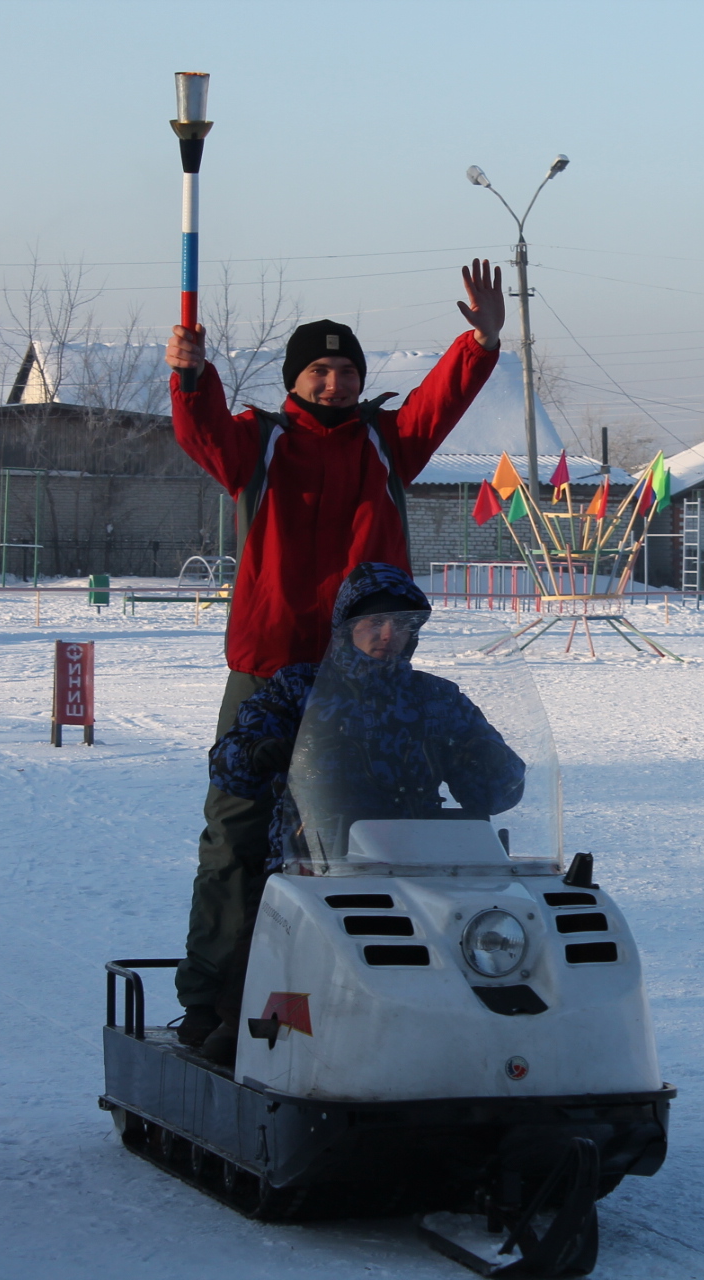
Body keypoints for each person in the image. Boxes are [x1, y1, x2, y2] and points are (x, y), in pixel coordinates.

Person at [166, 262, 507, 1049]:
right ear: (295, 379)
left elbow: (440, 403)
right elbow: (202, 430)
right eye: (320, 370)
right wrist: (190, 376)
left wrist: (482, 340)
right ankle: (214, 1000)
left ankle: (383, 1000)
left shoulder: (387, 444)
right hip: (267, 668)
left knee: (370, 837)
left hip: (365, 674)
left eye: (347, 369)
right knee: (238, 836)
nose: (335, 381)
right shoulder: (259, 444)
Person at [199, 562, 526, 1062]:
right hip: (315, 866)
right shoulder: (299, 689)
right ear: (347, 627)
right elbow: (226, 764)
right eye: (374, 623)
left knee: (489, 959)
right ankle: (243, 1035)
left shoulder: (436, 699)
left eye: (403, 624)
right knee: (238, 1029)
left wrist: (488, 769)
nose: (388, 635)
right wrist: (260, 751)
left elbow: (501, 784)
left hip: (422, 866)